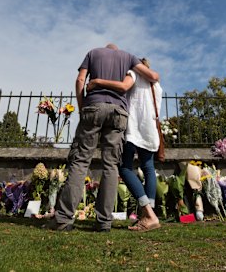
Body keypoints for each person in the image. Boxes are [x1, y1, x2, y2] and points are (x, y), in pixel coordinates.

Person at [50, 44, 158, 232]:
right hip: (118, 112)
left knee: (81, 161)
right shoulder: (129, 57)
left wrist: (83, 105)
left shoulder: (93, 53)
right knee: (111, 165)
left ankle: (64, 219)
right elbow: (152, 76)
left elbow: (80, 80)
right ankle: (104, 222)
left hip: (94, 106)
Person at [87, 58, 162, 232]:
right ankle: (149, 215)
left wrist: (98, 82)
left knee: (125, 168)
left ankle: (148, 214)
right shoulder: (155, 84)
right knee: (148, 167)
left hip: (134, 128)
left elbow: (123, 87)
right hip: (149, 128)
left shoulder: (133, 74)